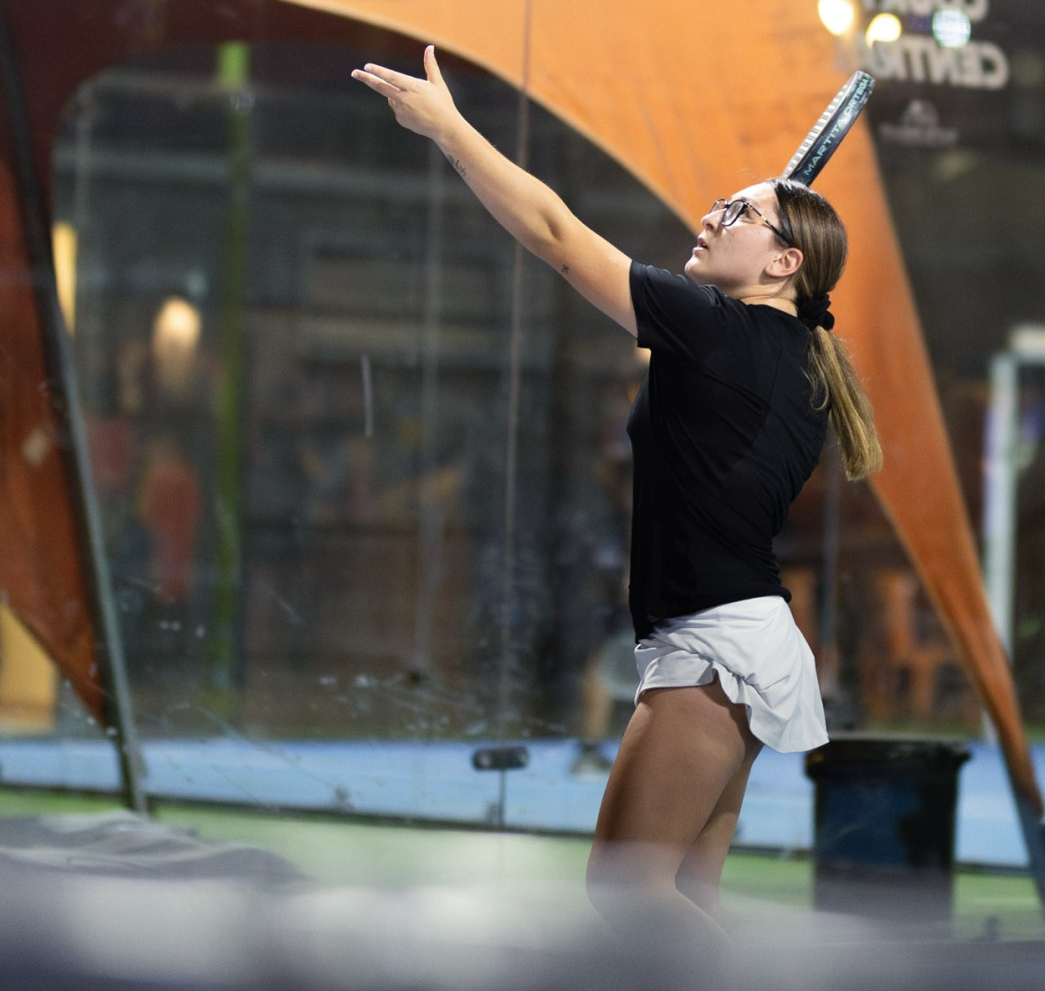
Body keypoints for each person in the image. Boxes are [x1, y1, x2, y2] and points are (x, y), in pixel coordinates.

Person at [354, 48, 881, 940]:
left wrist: (449, 130)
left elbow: (556, 237)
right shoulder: (788, 357)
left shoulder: (719, 331)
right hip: (740, 639)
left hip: (714, 647)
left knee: (628, 890)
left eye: (739, 213)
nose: (711, 215)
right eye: (721, 203)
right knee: (686, 901)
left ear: (784, 262)